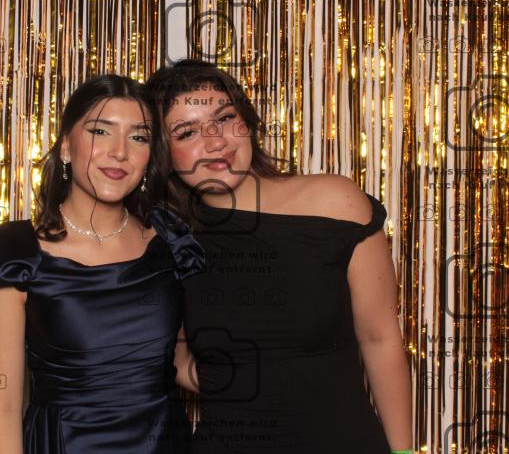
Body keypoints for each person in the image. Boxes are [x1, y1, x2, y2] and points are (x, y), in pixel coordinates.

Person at [146, 60, 414, 454]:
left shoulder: (335, 203)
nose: (216, 141)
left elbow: (380, 337)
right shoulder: (168, 238)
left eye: (224, 118)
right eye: (187, 132)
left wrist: (403, 451)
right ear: (163, 154)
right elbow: (167, 356)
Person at [0, 75, 206, 454]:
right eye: (100, 131)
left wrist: (280, 363)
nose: (119, 152)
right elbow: (1, 406)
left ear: (149, 157)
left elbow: (183, 365)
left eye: (138, 138)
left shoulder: (170, 243)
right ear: (66, 147)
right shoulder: (14, 251)